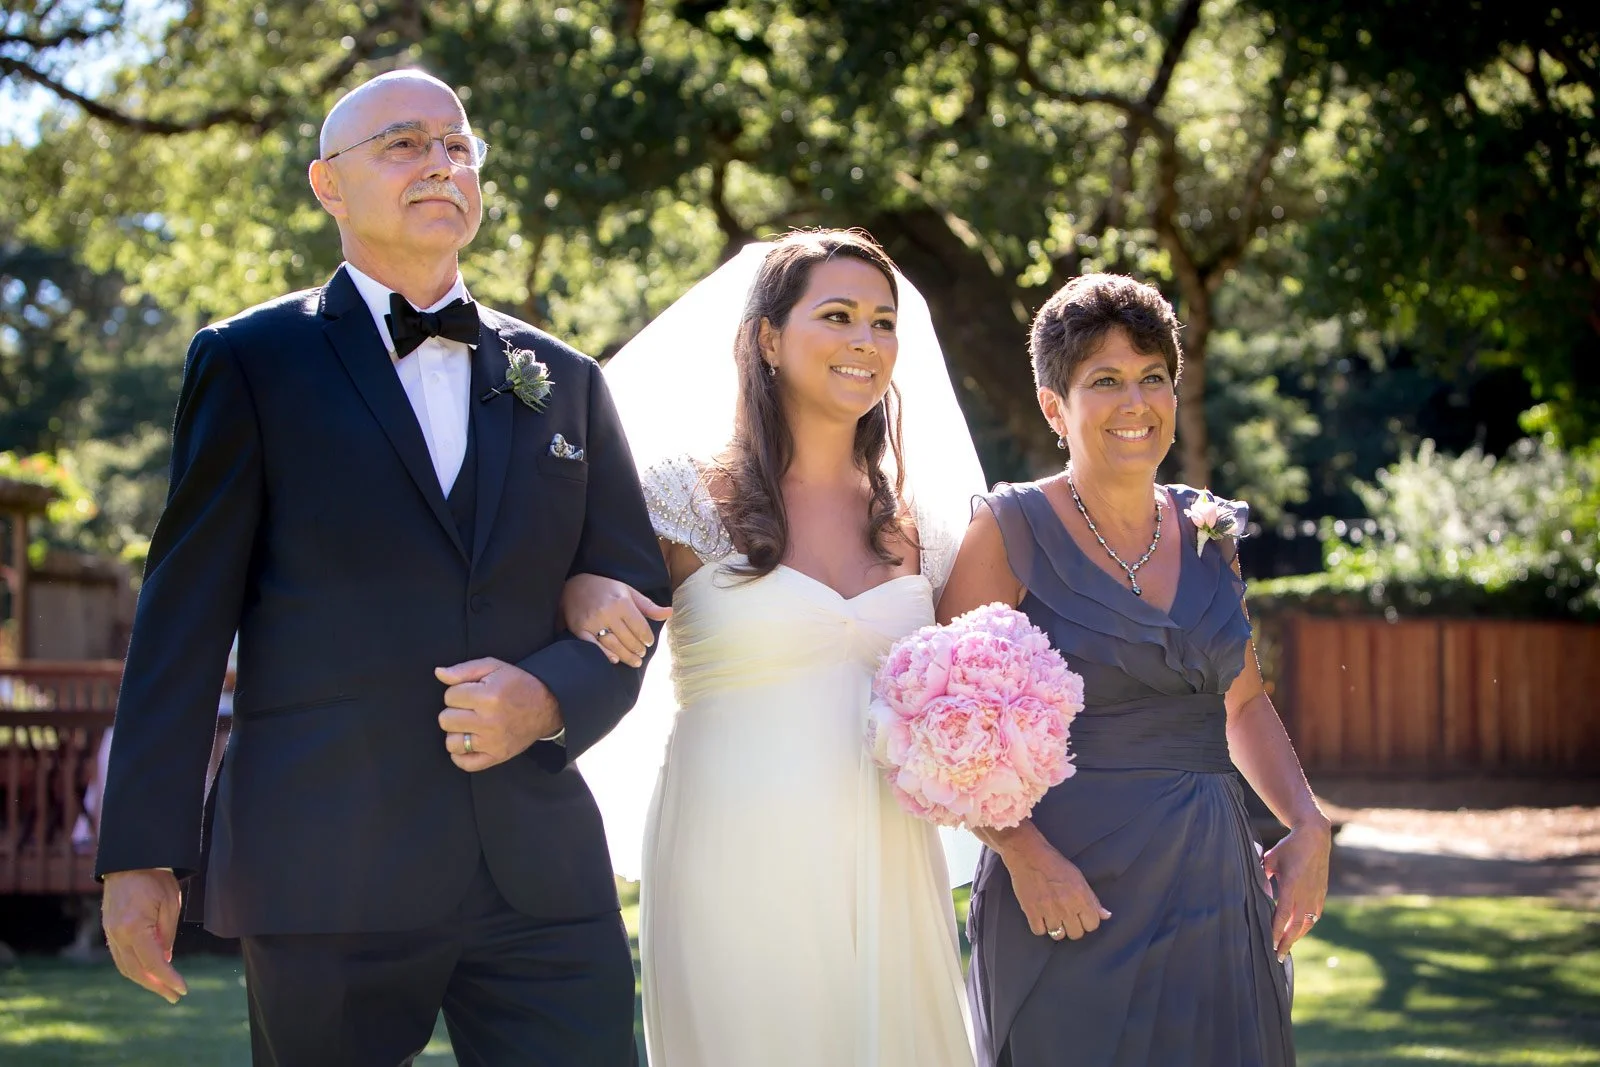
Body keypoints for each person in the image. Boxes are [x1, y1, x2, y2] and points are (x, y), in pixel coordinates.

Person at [94, 69, 668, 1067]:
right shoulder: (250, 360)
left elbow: (628, 597)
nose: (442, 161)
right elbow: (182, 622)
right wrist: (141, 851)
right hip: (324, 865)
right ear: (328, 185)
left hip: (539, 873)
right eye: (404, 143)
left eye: (458, 145)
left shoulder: (566, 381)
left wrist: (547, 695)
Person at [563, 230, 982, 1066]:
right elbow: (583, 590)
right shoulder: (682, 495)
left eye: (882, 322)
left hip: (890, 857)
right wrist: (581, 590)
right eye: (837, 316)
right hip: (731, 853)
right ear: (767, 337)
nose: (866, 340)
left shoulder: (927, 525)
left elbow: (978, 693)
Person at [939, 273, 1331, 1067]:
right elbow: (944, 728)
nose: (1135, 402)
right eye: (1105, 381)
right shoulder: (1008, 530)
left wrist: (1307, 821)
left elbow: (1245, 701)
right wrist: (1024, 854)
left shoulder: (1209, 528)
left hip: (1215, 879)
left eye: (1153, 378)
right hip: (1069, 887)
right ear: (1056, 406)